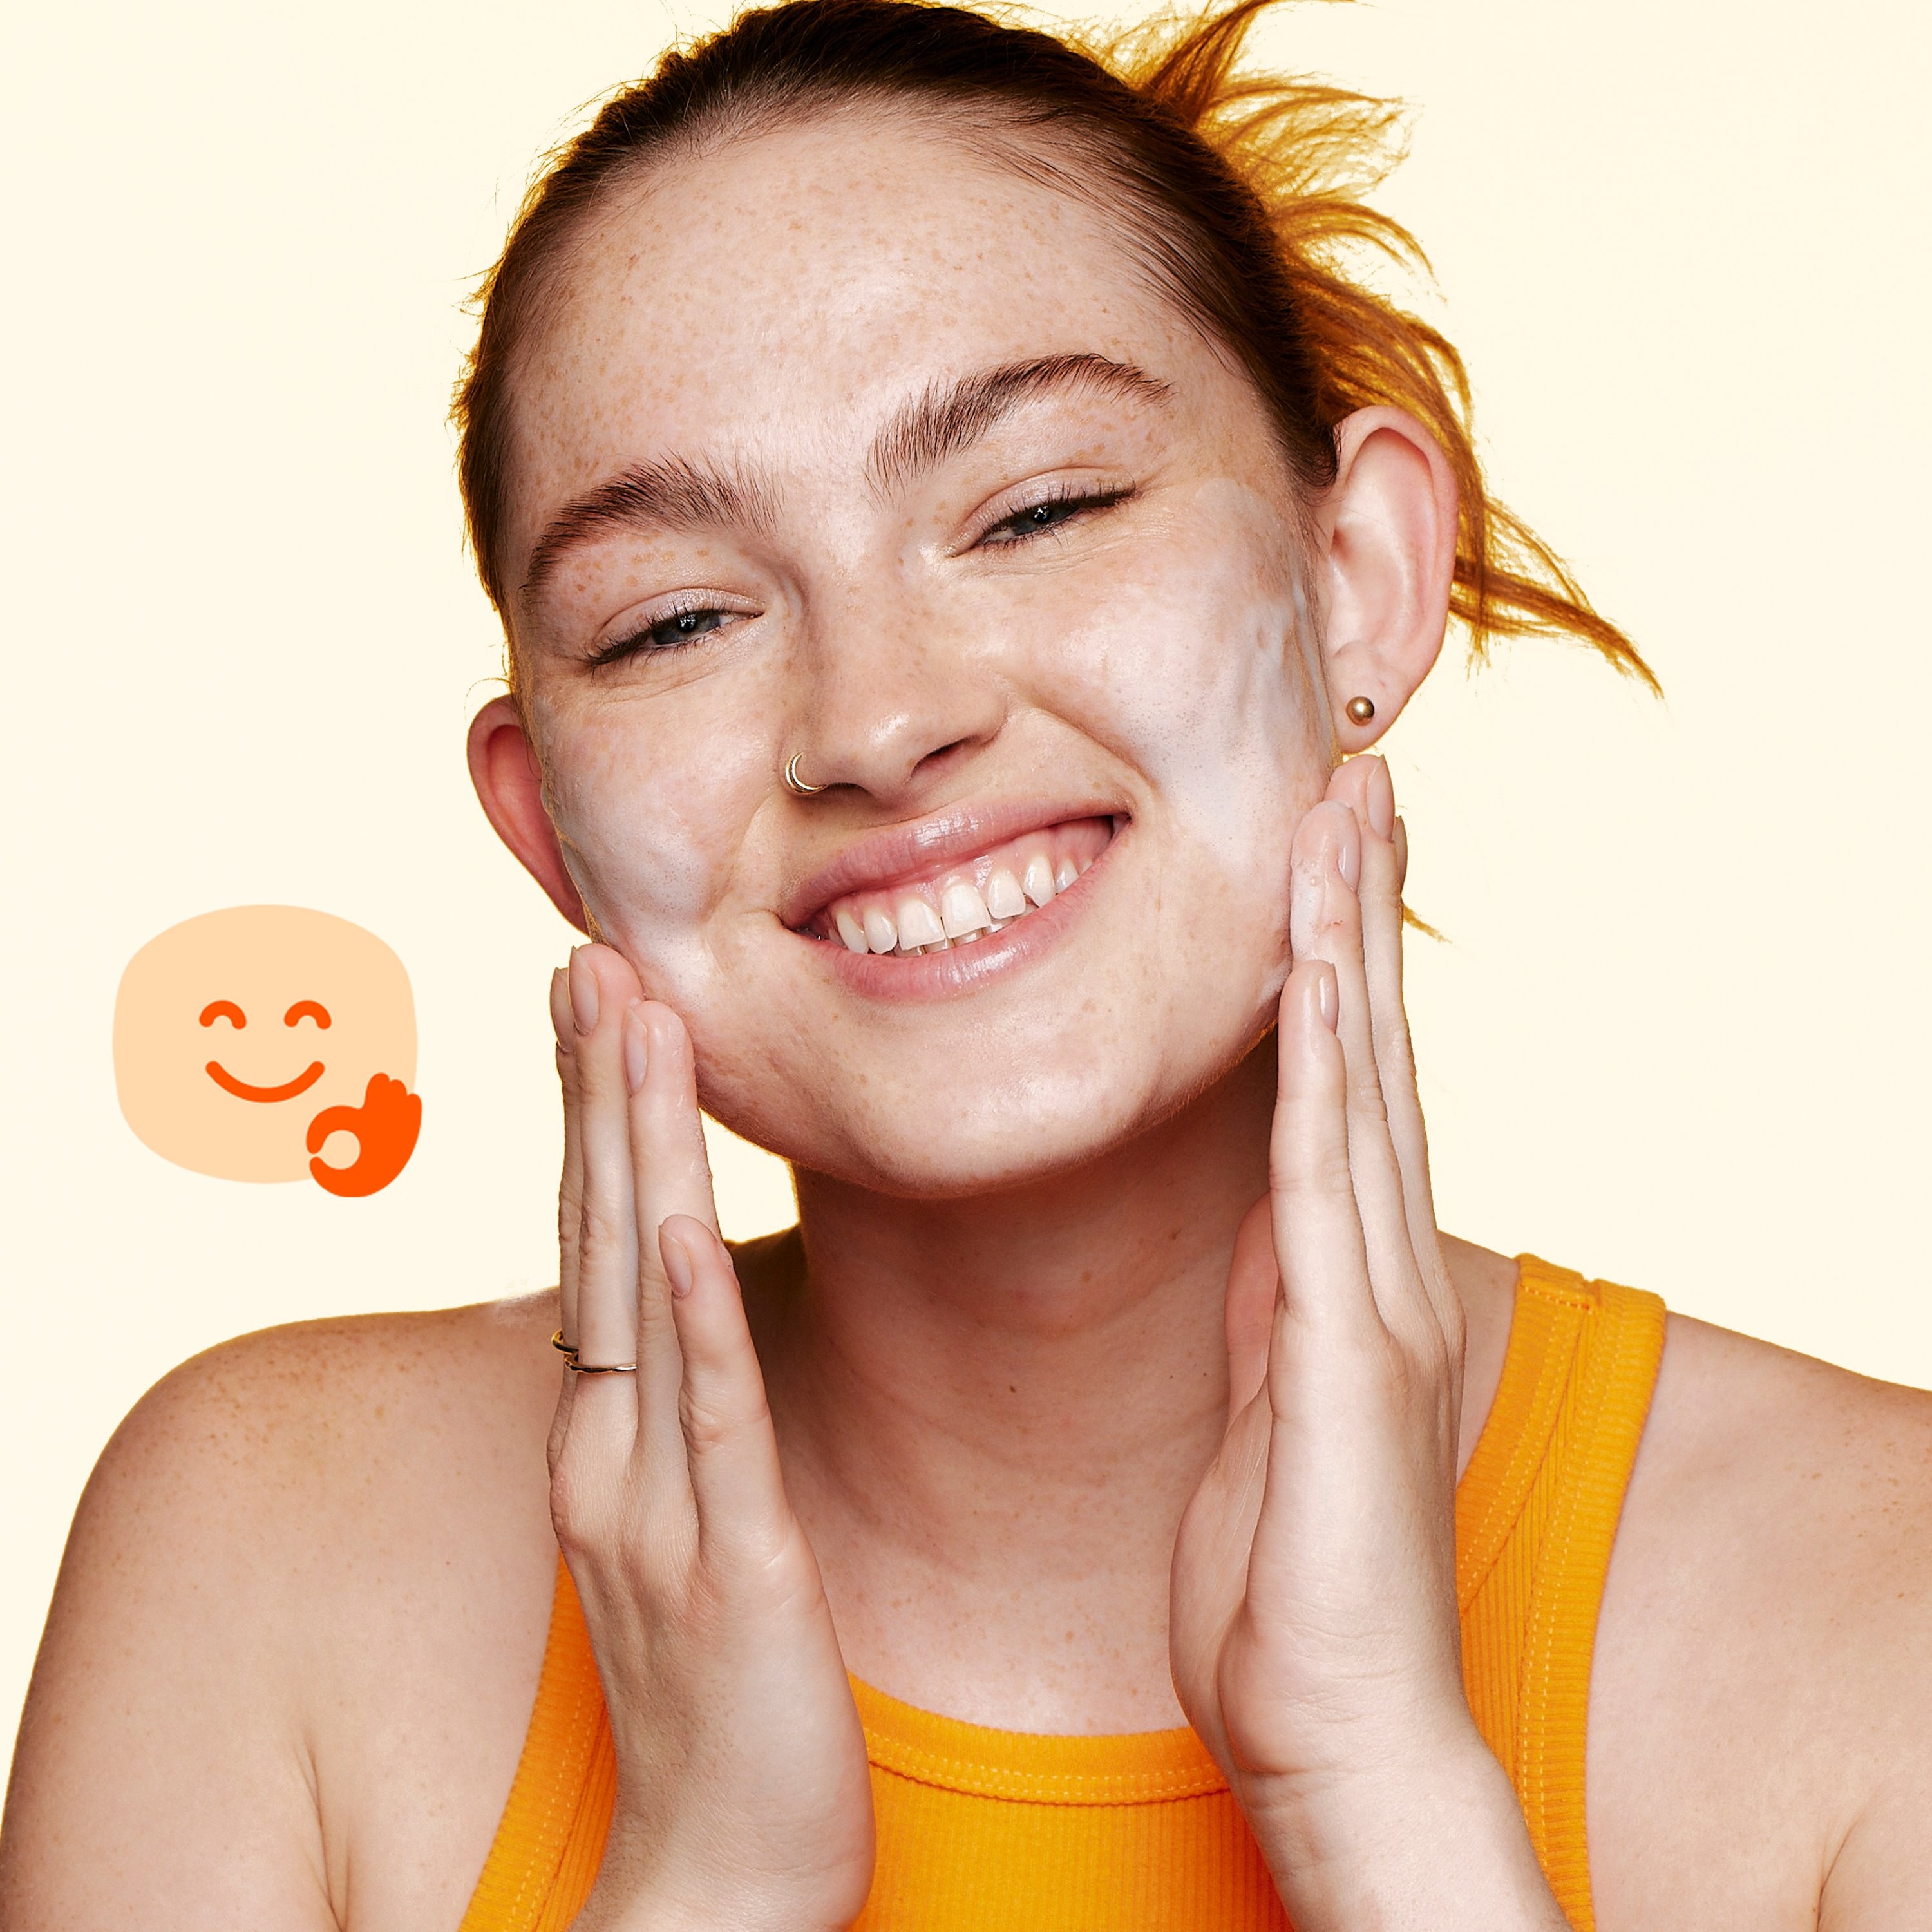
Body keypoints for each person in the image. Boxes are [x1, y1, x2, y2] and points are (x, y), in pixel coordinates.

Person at [4, 1, 1929, 1925]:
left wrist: (1380, 1788)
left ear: (1356, 580)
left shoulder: (1881, 1606)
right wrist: (710, 1876)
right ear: (546, 820)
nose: (879, 720)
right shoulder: (265, 1557)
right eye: (675, 621)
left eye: (1040, 509)